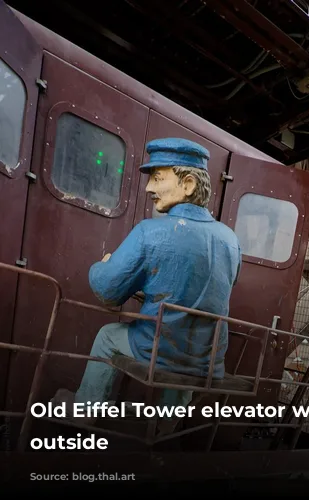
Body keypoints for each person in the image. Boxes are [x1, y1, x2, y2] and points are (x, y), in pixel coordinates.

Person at [52, 138, 242, 430]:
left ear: (188, 184)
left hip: (161, 349)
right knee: (183, 356)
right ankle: (162, 432)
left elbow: (107, 290)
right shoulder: (231, 240)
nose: (149, 188)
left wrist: (101, 267)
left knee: (107, 336)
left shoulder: (151, 232)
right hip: (209, 357)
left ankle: (84, 410)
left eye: (157, 177)